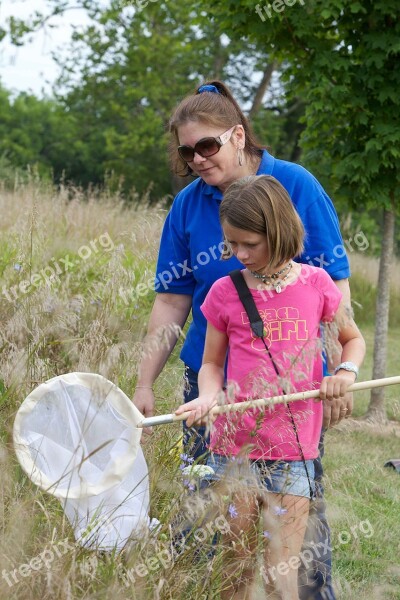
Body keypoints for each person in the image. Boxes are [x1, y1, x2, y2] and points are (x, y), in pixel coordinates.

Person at [132, 80, 352, 598]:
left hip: (290, 388)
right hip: (212, 385)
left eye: (206, 146)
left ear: (237, 135)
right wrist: (144, 383)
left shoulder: (294, 185)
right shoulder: (188, 205)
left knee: (294, 522)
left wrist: (340, 368)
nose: (197, 159)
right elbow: (170, 300)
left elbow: (331, 287)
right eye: (186, 152)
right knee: (212, 513)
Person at [174, 174, 366, 600]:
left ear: (278, 232)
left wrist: (344, 374)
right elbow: (210, 363)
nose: (239, 254)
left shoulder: (315, 285)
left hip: (294, 452)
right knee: (235, 570)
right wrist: (209, 395)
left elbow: (352, 339)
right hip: (233, 451)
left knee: (281, 576)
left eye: (249, 244)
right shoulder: (226, 291)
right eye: (231, 244)